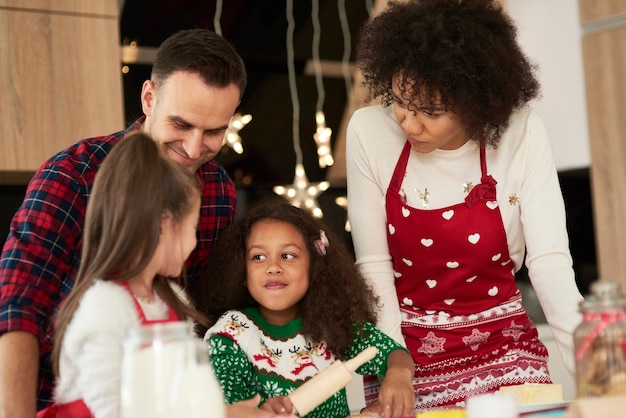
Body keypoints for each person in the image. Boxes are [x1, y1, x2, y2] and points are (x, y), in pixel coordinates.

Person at [0, 28, 269, 418]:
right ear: (148, 98)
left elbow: (199, 320)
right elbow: (17, 308)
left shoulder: (218, 193)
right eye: (181, 124)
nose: (195, 149)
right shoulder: (73, 176)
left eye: (214, 131)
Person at [345, 0, 584, 411]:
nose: (409, 123)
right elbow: (373, 266)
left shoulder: (521, 131)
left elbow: (549, 264)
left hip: (504, 346)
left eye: (432, 112)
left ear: (477, 105)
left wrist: (598, 371)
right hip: (405, 348)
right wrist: (393, 363)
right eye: (402, 100)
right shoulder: (369, 131)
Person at [36, 132, 208, 417]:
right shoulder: (105, 307)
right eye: (193, 228)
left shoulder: (174, 301)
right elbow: (110, 409)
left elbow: (189, 390)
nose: (195, 242)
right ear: (163, 227)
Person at [195, 197, 415, 418]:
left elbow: (390, 352)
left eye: (287, 256)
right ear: (242, 272)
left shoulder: (328, 322)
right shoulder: (231, 336)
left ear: (314, 267)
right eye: (258, 257)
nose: (273, 267)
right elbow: (225, 410)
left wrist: (398, 375)